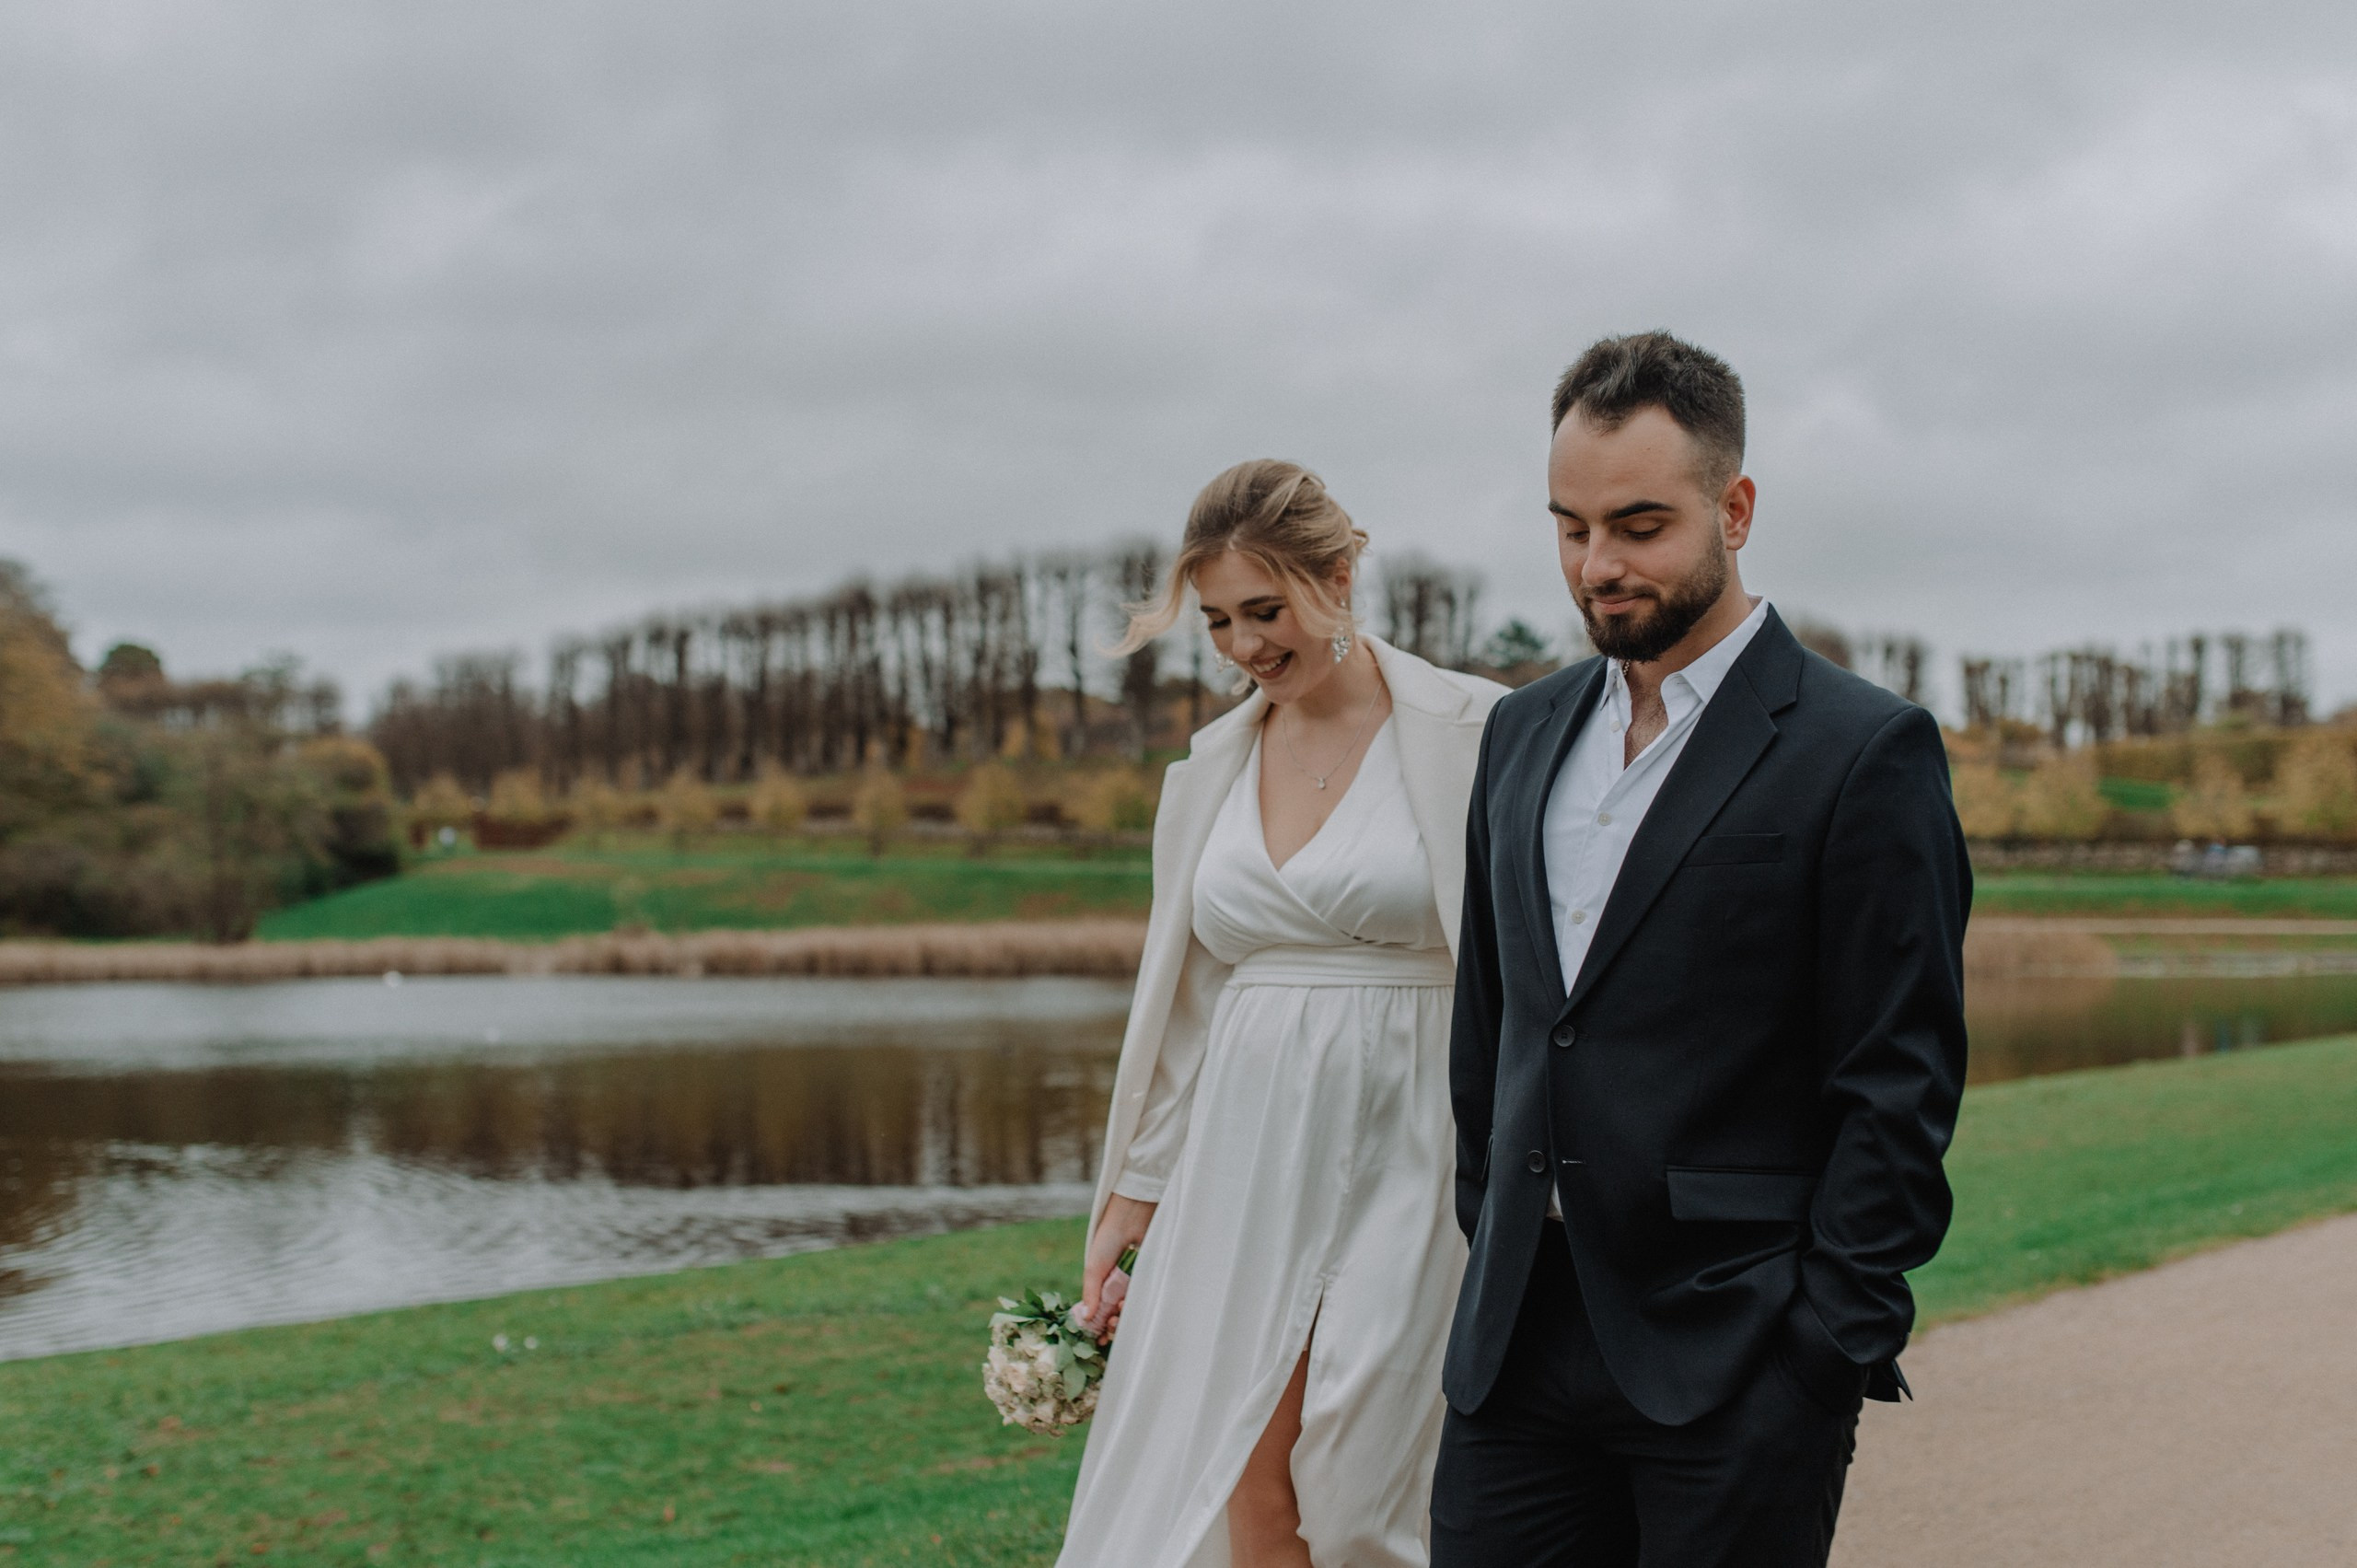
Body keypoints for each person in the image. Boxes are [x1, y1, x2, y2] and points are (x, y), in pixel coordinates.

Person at [1430, 332, 1970, 1566]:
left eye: (1637, 524)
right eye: (1569, 526)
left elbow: (1901, 1080)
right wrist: (1490, 1228)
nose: (1597, 564)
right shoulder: (1519, 735)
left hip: (1740, 1355)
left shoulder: (1861, 750)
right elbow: (1496, 1026)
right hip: (1515, 1347)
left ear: (1735, 507)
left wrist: (1825, 1339)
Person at [1058, 459, 1506, 1568]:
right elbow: (1191, 1007)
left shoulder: (1479, 730)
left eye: (1265, 610)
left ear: (1340, 575)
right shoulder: (1206, 770)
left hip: (1416, 1129)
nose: (1244, 645)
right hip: (1244, 1147)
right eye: (1216, 621)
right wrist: (1133, 1189)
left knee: (1357, 1491)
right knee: (1239, 1473)